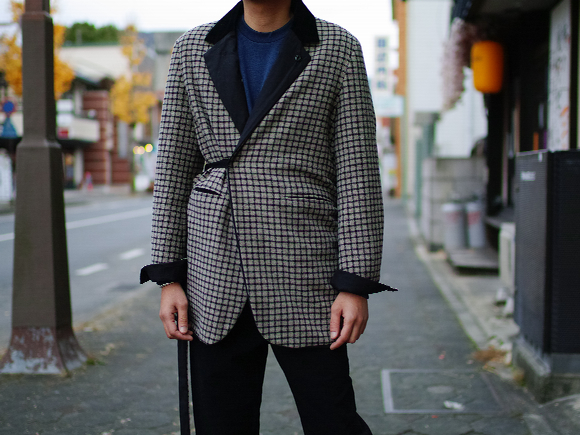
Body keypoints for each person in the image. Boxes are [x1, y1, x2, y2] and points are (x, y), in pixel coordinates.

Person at [141, 0, 396, 433]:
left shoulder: (336, 48)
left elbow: (357, 172)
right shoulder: (191, 49)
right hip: (215, 272)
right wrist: (169, 278)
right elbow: (173, 168)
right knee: (221, 425)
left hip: (306, 271)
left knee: (333, 421)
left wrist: (355, 284)